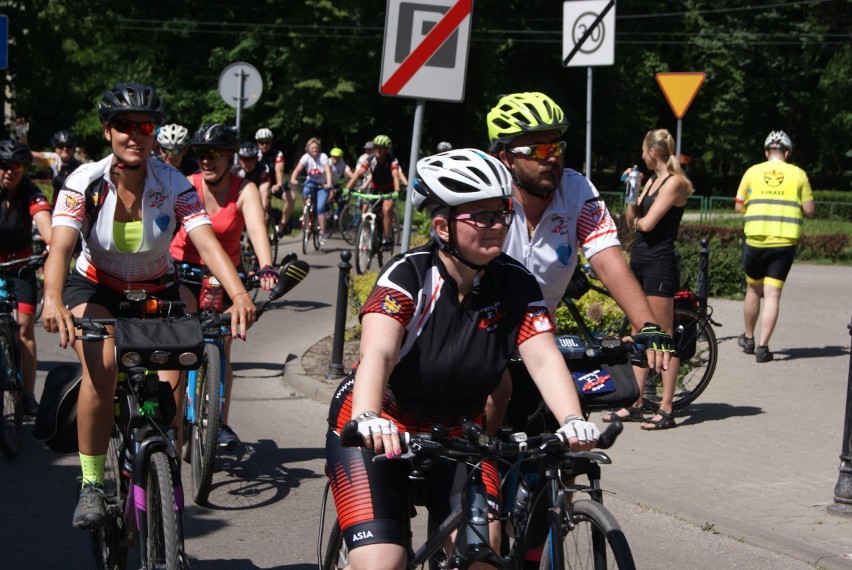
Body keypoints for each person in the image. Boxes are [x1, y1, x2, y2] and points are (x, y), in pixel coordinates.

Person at [325, 149, 600, 570]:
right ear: (443, 226)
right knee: (382, 561)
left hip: (460, 434)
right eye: (482, 217)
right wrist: (366, 416)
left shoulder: (517, 284)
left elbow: (543, 357)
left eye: (502, 214)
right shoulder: (407, 276)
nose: (496, 226)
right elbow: (377, 352)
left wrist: (571, 420)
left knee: (483, 556)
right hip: (384, 425)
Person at [42, 82, 256, 529]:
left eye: (145, 126)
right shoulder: (84, 182)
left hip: (157, 288)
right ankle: (92, 484)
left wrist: (238, 293)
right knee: (101, 370)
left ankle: (162, 463)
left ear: (154, 133)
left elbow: (207, 242)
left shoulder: (173, 183)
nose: (134, 134)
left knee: (172, 382)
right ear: (108, 131)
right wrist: (52, 298)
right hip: (96, 287)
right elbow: (60, 247)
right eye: (124, 126)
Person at [485, 91, 673, 430]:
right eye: (539, 149)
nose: (552, 158)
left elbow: (607, 259)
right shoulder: (486, 199)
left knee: (567, 448)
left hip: (539, 337)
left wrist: (647, 325)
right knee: (491, 411)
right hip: (483, 334)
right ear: (505, 158)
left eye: (556, 147)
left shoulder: (576, 191)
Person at [171, 123, 277, 448]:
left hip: (224, 275)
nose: (207, 161)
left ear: (230, 157)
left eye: (214, 155)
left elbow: (257, 230)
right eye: (202, 155)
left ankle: (218, 423)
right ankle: (173, 422)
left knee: (221, 347)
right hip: (183, 269)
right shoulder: (187, 185)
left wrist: (266, 266)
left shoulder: (245, 190)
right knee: (183, 340)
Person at [622, 129, 694, 429]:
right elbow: (631, 221)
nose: (641, 156)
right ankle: (635, 402)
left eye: (643, 150)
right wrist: (631, 189)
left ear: (653, 151)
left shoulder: (675, 183)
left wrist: (639, 219)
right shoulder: (650, 180)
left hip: (659, 263)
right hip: (639, 258)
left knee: (662, 335)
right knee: (640, 331)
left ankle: (666, 407)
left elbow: (648, 224)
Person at [735, 130, 814, 363]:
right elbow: (809, 210)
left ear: (766, 151)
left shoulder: (752, 171)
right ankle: (763, 346)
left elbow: (739, 207)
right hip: (784, 242)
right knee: (772, 294)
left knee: (752, 290)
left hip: (755, 240)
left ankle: (748, 338)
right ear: (787, 152)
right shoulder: (798, 174)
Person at [0, 140, 53, 417]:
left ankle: (29, 395)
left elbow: (44, 222)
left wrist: (52, 242)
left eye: (16, 166)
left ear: (24, 169)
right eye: (4, 166)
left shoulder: (31, 193)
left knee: (24, 329)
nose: (10, 171)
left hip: (21, 265)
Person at [344, 135, 401, 251]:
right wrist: (347, 188)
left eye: (381, 148)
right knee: (364, 209)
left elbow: (395, 175)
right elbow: (358, 173)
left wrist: (396, 191)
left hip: (388, 190)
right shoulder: (370, 160)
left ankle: (386, 237)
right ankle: (364, 234)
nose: (378, 150)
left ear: (386, 149)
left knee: (386, 209)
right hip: (374, 188)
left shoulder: (392, 160)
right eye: (376, 147)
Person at [17, 123, 83, 205]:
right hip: (58, 206)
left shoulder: (82, 164)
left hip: (77, 205)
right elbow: (26, 155)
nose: (65, 149)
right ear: (55, 148)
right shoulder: (54, 159)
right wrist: (22, 133)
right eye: (60, 145)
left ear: (74, 148)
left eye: (69, 146)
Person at [289, 137, 333, 245]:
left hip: (322, 185)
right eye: (312, 147)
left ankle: (322, 232)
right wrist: (293, 178)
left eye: (316, 147)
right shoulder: (306, 157)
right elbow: (298, 169)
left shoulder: (323, 157)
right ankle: (306, 210)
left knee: (320, 208)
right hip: (311, 182)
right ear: (308, 149)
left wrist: (329, 183)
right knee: (305, 190)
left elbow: (327, 171)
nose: (315, 149)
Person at [255, 127, 291, 236]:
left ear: (271, 142)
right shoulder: (254, 155)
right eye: (261, 142)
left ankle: (282, 224)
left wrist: (279, 183)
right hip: (260, 186)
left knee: (291, 197)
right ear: (257, 143)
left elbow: (279, 170)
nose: (264, 145)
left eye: (267, 142)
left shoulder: (277, 154)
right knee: (264, 214)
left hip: (275, 184)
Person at [233, 141, 272, 212]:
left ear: (257, 158)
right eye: (244, 159)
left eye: (251, 158)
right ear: (240, 159)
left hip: (258, 199)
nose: (248, 163)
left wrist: (262, 214)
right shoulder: (234, 171)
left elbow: (264, 193)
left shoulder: (262, 169)